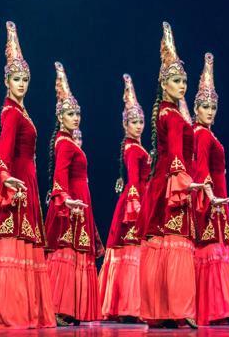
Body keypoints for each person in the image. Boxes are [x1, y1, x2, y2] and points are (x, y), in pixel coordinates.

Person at [0, 21, 56, 329]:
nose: (21, 84)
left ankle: (26, 310)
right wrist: (4, 174)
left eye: (25, 79)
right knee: (13, 240)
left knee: (25, 242)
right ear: (7, 81)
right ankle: (8, 310)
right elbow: (4, 147)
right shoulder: (10, 112)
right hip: (17, 181)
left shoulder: (21, 112)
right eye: (16, 79)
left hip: (28, 182)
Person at [137, 22, 202, 329]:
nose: (182, 86)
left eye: (183, 81)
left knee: (163, 243)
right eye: (176, 80)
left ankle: (162, 309)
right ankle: (178, 307)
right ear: (164, 83)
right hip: (172, 184)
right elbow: (176, 155)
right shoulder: (173, 116)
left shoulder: (166, 112)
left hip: (164, 181)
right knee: (174, 242)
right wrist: (185, 183)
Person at [44, 62, 103, 326]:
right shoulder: (65, 144)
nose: (75, 117)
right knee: (66, 252)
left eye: (77, 113)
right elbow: (59, 175)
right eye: (70, 114)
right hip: (71, 203)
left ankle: (69, 308)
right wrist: (65, 199)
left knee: (74, 251)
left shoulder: (67, 141)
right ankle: (59, 307)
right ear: (60, 117)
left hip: (78, 200)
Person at [192, 53, 229, 326]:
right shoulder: (200, 134)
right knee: (210, 248)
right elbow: (200, 168)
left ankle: (220, 308)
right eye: (205, 106)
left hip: (218, 196)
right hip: (210, 198)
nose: (210, 110)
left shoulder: (209, 133)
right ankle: (211, 309)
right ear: (196, 108)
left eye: (213, 106)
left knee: (219, 248)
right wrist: (211, 197)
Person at [99, 74, 149, 322]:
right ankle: (131, 306)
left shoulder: (137, 147)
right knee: (133, 250)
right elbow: (132, 181)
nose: (138, 125)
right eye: (133, 122)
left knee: (132, 252)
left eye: (140, 121)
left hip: (139, 198)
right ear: (125, 125)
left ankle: (126, 305)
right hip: (134, 202)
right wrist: (136, 206)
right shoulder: (131, 148)